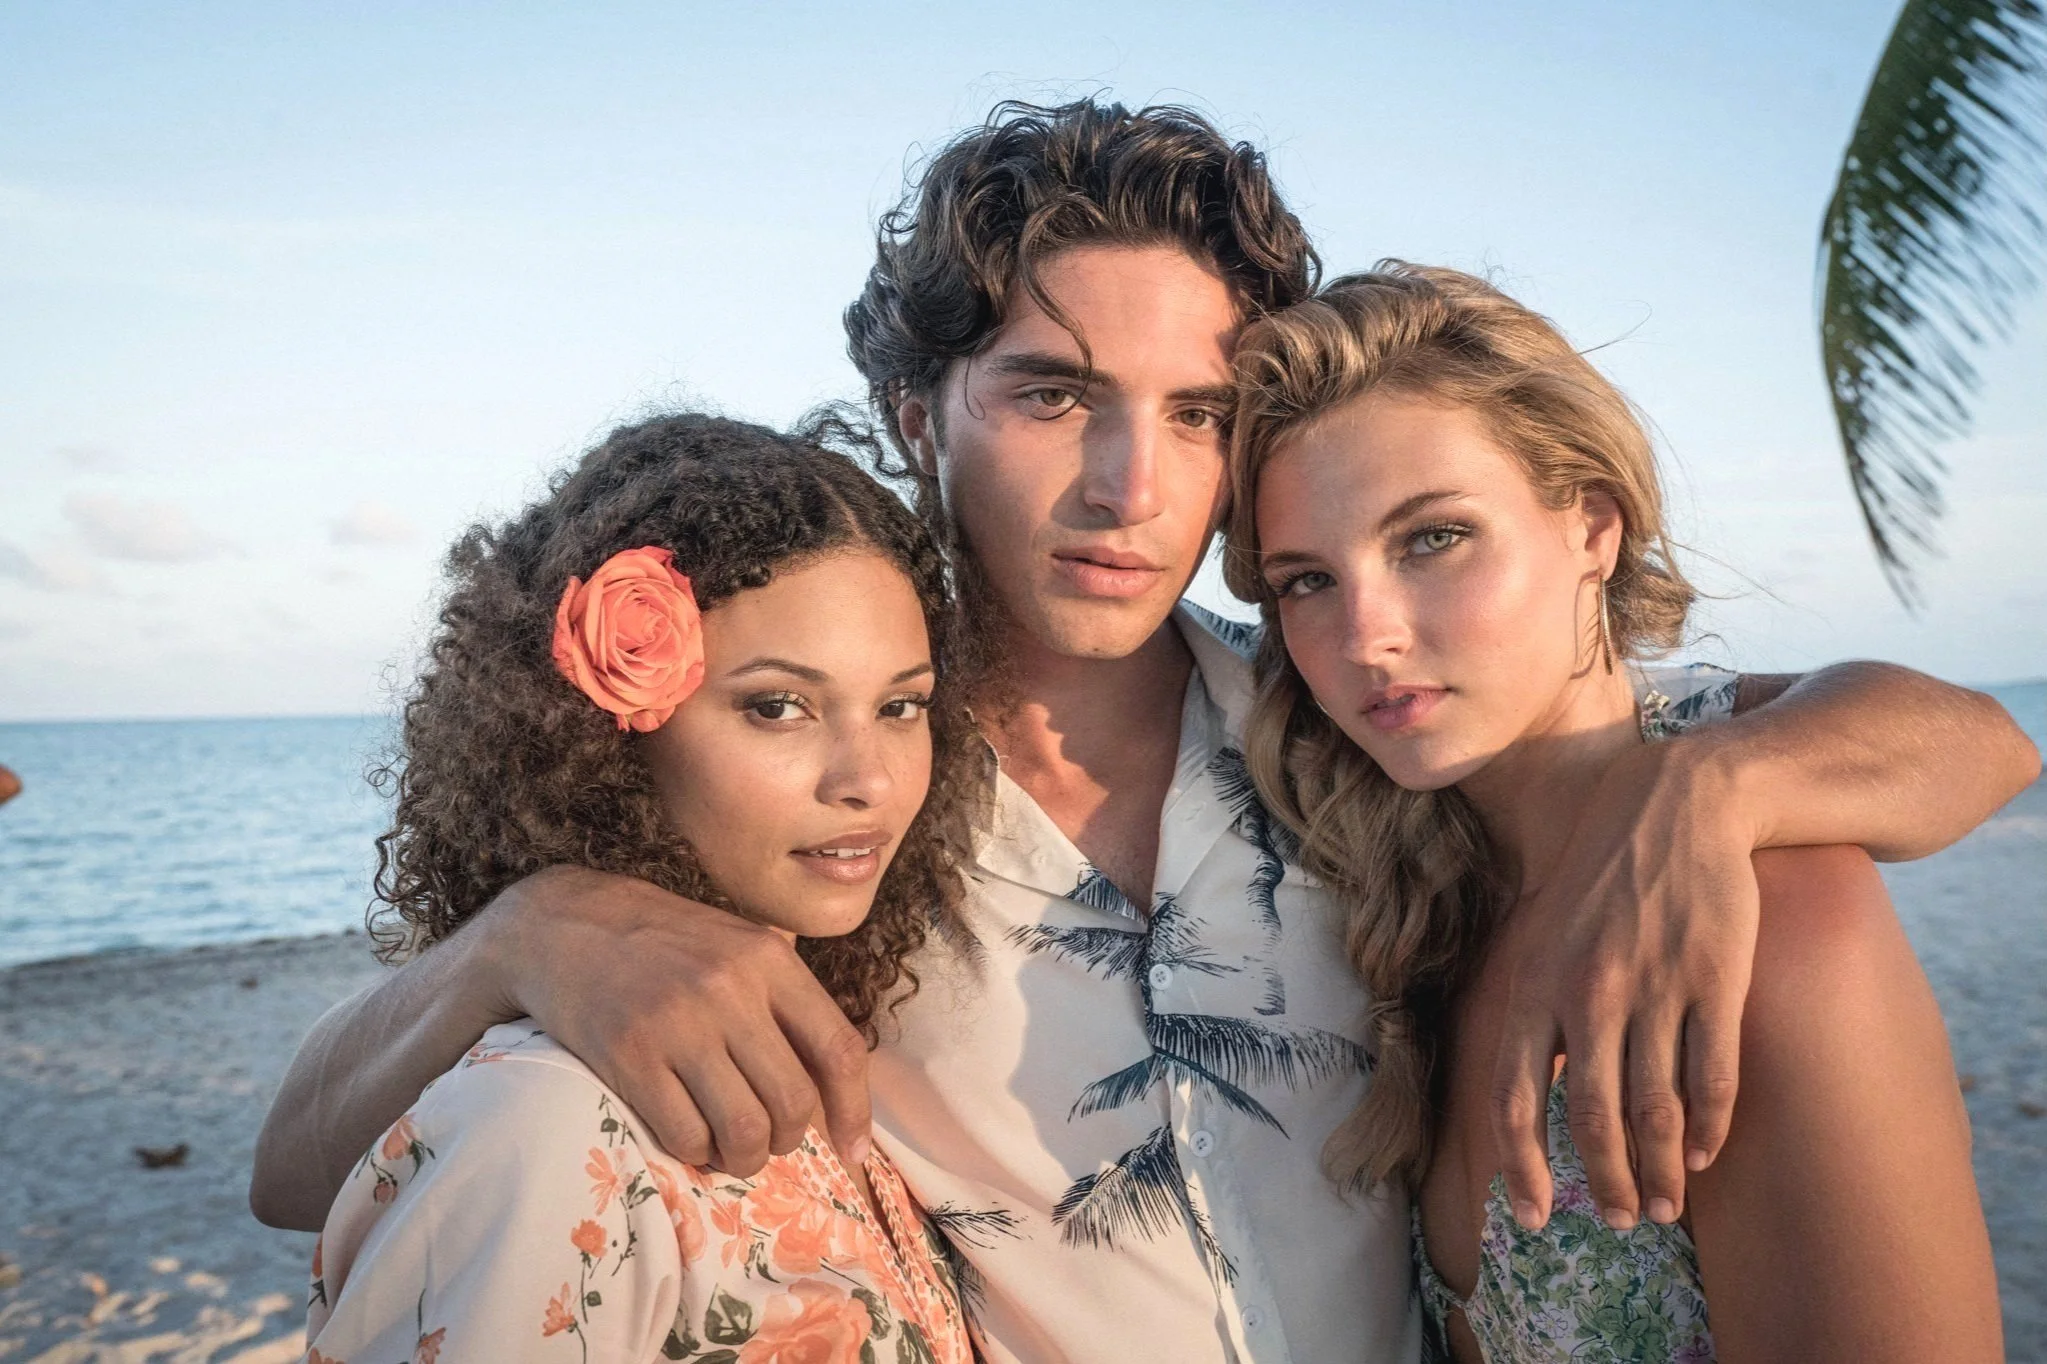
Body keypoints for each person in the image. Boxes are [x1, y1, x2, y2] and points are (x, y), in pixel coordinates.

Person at [253, 101, 2039, 1363]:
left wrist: (1712, 789)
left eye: (1192, 414)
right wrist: (519, 935)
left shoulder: (1353, 709)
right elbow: (297, 1164)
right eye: (1050, 392)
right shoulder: (829, 781)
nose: (1127, 485)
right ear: (916, 408)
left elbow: (1962, 741)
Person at [1225, 263, 2013, 1361]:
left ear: (1591, 525)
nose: (1365, 635)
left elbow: (1987, 739)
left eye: (1432, 537)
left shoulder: (1774, 928)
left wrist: (1703, 780)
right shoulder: (1399, 892)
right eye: (1305, 579)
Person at [304, 415, 979, 1364]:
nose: (866, 778)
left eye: (900, 705)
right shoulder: (541, 1123)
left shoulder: (838, 1021)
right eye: (778, 706)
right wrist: (519, 932)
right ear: (603, 726)